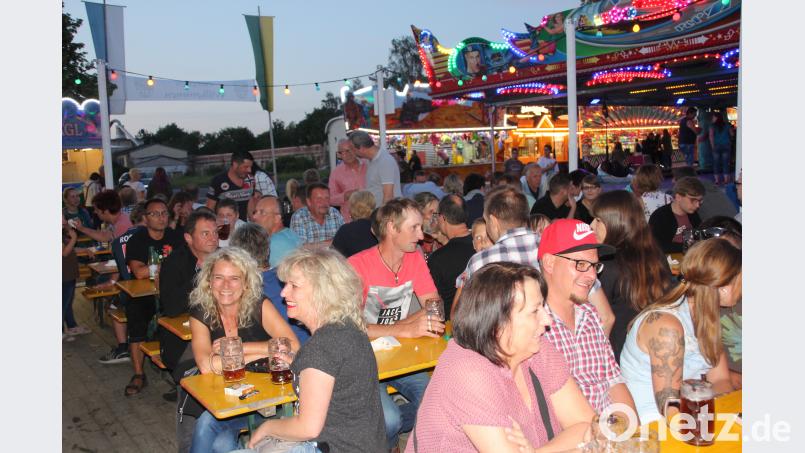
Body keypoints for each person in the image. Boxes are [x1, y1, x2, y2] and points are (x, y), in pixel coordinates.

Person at [407, 262, 595, 452]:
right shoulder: (467, 372)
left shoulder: (536, 349)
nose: (548, 320)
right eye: (534, 311)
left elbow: (587, 426)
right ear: (498, 324)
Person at [243, 249, 387, 453]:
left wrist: (267, 427)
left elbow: (307, 428)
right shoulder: (348, 328)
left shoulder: (322, 347)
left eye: (294, 286)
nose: (283, 293)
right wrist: (300, 364)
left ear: (322, 292)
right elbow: (335, 375)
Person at [347, 198, 442, 451]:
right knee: (390, 421)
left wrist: (403, 326)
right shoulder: (356, 266)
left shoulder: (414, 257)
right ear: (392, 228)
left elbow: (434, 308)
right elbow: (351, 329)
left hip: (400, 355)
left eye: (421, 227)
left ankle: (405, 434)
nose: (421, 235)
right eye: (414, 228)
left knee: (438, 400)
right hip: (362, 360)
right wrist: (407, 327)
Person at [455, 186, 615, 334]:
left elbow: (460, 319)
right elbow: (606, 317)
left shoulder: (481, 261)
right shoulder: (560, 249)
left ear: (493, 221)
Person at [188, 247, 300, 453]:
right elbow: (206, 365)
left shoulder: (260, 305)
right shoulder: (201, 311)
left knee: (210, 431)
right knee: (220, 443)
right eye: (219, 278)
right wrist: (267, 351)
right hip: (225, 398)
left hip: (268, 401)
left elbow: (293, 346)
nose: (226, 286)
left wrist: (235, 347)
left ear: (246, 283)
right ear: (209, 281)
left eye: (234, 279)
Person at [620, 238, 739, 423]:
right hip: (650, 427)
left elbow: (721, 380)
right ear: (722, 287)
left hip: (690, 416)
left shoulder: (706, 317)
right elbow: (669, 407)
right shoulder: (667, 326)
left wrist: (723, 415)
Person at [537, 219, 636, 414]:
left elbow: (613, 381)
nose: (592, 275)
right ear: (549, 262)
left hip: (608, 431)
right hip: (572, 438)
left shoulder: (589, 313)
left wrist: (630, 430)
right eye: (581, 264)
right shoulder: (532, 325)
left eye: (594, 266)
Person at [590, 191, 673, 361]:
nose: (591, 225)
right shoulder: (655, 256)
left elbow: (596, 322)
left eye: (598, 220)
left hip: (617, 357)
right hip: (654, 351)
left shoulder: (606, 267)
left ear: (616, 222)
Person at [123, 197, 185, 396]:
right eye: (154, 214)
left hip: (170, 290)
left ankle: (181, 373)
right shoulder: (137, 240)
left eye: (164, 213)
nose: (160, 217)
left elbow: (185, 264)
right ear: (145, 218)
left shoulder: (176, 237)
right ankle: (139, 374)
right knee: (136, 322)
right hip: (143, 294)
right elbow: (139, 272)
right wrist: (168, 266)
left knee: (182, 321)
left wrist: (157, 269)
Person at [158, 210, 219, 377]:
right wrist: (201, 275)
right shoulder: (174, 263)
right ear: (188, 238)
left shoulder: (225, 258)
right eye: (205, 233)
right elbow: (171, 308)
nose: (213, 238)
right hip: (182, 339)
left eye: (215, 232)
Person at [230, 223, 310, 344]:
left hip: (285, 353)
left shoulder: (244, 290)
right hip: (312, 343)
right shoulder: (291, 277)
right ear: (267, 250)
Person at [97, 204, 147, 365]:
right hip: (149, 290)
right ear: (147, 218)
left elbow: (119, 269)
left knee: (114, 307)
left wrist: (112, 281)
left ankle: (123, 347)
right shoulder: (152, 236)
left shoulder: (118, 242)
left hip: (131, 291)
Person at [427, 195, 474, 318]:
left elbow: (433, 302)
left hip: (451, 325)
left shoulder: (438, 259)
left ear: (442, 218)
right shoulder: (481, 244)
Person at [649, 176, 704, 253]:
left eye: (700, 201)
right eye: (693, 200)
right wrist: (689, 247)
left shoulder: (693, 214)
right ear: (678, 197)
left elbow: (698, 237)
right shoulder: (660, 217)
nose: (697, 205)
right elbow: (658, 246)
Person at [349, 130, 402, 207]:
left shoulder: (385, 161)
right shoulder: (370, 161)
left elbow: (388, 196)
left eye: (352, 149)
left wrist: (380, 217)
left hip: (386, 213)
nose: (352, 152)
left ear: (361, 148)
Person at [251, 195, 303, 268]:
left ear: (277, 218)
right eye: (255, 212)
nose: (254, 217)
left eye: (262, 212)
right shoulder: (288, 233)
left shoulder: (275, 243)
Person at [62, 214, 91, 341]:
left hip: (68, 273)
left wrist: (84, 250)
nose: (64, 220)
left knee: (67, 301)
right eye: (61, 218)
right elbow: (64, 252)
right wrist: (74, 237)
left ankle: (71, 326)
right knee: (63, 303)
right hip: (64, 274)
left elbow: (69, 248)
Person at [290, 182, 345, 247]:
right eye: (319, 199)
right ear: (309, 202)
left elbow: (345, 239)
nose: (324, 202)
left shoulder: (334, 213)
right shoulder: (299, 216)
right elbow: (301, 248)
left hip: (335, 257)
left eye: (327, 198)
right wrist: (333, 242)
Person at [206, 150, 255, 220]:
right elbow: (209, 209)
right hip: (224, 228)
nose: (249, 170)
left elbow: (250, 202)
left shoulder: (250, 179)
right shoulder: (218, 181)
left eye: (250, 167)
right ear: (235, 165)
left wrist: (254, 223)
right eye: (246, 167)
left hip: (243, 227)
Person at [329, 139, 367, 222]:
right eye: (342, 152)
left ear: (355, 149)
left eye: (349, 150)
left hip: (373, 217)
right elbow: (330, 199)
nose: (347, 154)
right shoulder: (336, 173)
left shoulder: (368, 165)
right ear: (339, 155)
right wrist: (345, 195)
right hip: (350, 220)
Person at [331, 190, 378, 258]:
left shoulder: (345, 231)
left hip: (352, 267)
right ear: (373, 207)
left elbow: (334, 257)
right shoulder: (380, 227)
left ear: (351, 209)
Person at [413, 191, 446, 257]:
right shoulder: (412, 242)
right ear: (419, 216)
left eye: (438, 212)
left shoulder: (443, 238)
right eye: (431, 212)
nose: (436, 216)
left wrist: (445, 242)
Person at [708, 111, 735, 185]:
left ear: (716, 118)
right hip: (726, 145)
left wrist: (712, 146)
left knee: (716, 163)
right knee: (725, 163)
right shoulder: (727, 125)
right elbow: (732, 134)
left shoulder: (712, 126)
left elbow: (711, 137)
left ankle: (717, 180)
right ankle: (726, 180)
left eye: (713, 117)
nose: (712, 118)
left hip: (716, 146)